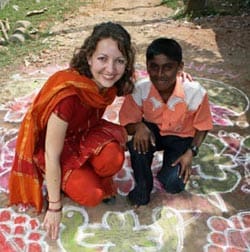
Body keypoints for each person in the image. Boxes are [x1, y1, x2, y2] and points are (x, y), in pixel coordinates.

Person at [8, 21, 135, 240]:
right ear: (89, 58)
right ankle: (63, 181)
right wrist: (55, 207)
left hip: (85, 132)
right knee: (92, 194)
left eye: (119, 61)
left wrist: (180, 77)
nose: (111, 69)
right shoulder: (68, 96)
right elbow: (52, 153)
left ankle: (82, 171)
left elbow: (143, 86)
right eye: (102, 59)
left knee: (113, 158)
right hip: (57, 146)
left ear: (126, 64)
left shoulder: (112, 82)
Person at [119, 37, 213, 207]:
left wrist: (191, 152)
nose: (160, 75)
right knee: (136, 145)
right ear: (147, 66)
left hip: (181, 137)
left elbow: (203, 126)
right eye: (154, 67)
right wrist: (139, 126)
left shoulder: (195, 92)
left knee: (173, 184)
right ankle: (143, 187)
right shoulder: (140, 89)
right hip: (152, 132)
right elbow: (127, 122)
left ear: (180, 67)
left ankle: (166, 171)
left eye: (168, 67)